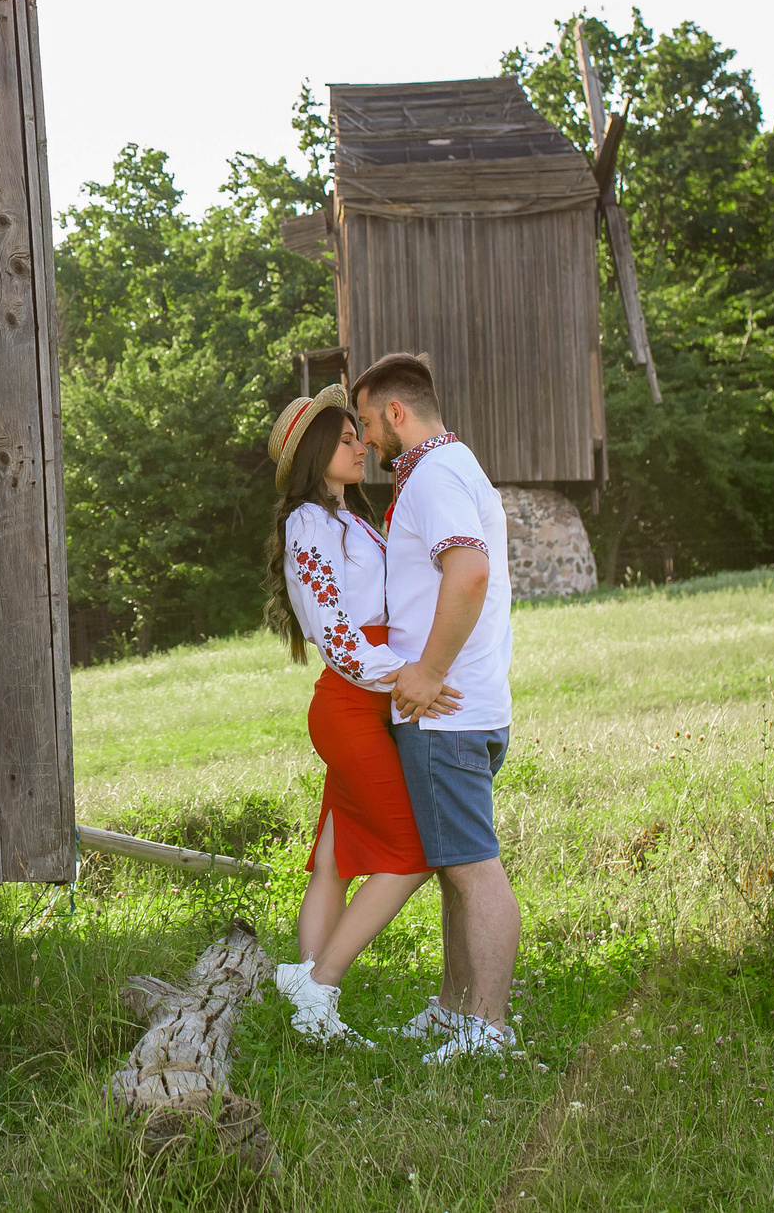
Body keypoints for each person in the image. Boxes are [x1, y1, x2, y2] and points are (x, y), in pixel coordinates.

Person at [259, 383, 460, 1046]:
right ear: (316, 452)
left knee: (334, 860)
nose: (359, 444)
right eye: (345, 438)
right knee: (409, 852)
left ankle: (309, 1000)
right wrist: (408, 677)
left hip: (374, 701)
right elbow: (338, 636)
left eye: (357, 433)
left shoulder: (352, 521)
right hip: (351, 701)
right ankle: (323, 981)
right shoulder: (307, 525)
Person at [351, 351, 522, 1064]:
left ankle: (489, 1027)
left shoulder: (437, 475)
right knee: (457, 865)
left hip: (448, 710)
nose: (363, 441)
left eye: (365, 423)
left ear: (396, 412)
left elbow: (470, 568)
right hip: (462, 708)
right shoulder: (442, 470)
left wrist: (427, 670)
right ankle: (457, 1011)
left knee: (474, 868)